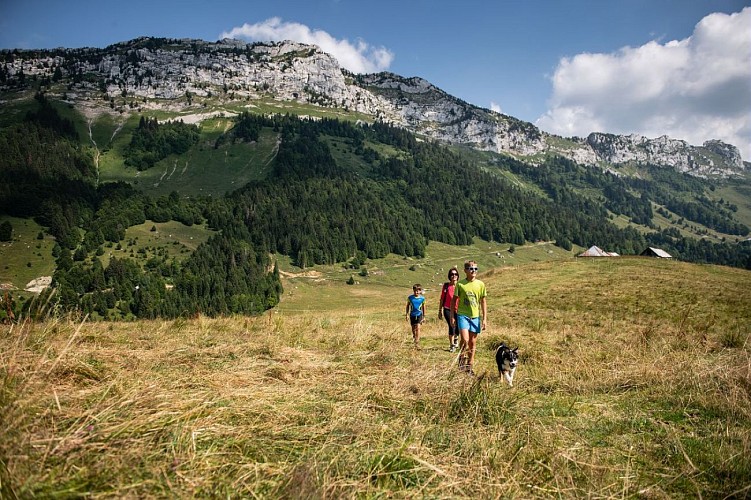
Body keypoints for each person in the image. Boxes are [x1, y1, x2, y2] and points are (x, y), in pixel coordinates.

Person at [451, 260, 487, 375]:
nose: (473, 271)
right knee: (465, 340)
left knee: (472, 342)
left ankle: (470, 365)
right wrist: (452, 316)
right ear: (465, 270)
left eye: (475, 269)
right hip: (462, 315)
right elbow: (454, 301)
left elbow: (483, 301)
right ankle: (461, 360)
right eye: (471, 269)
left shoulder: (481, 284)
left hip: (475, 317)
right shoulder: (460, 284)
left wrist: (485, 318)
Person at [438, 267, 460, 352]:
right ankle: (451, 345)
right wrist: (439, 310)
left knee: (458, 326)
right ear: (449, 276)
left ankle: (456, 339)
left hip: (458, 310)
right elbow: (442, 299)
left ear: (458, 275)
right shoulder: (446, 286)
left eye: (455, 274)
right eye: (452, 274)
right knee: (451, 326)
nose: (454, 276)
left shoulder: (460, 285)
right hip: (447, 309)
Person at [405, 283, 426, 347]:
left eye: (418, 290)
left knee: (418, 328)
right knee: (413, 328)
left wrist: (424, 316)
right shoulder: (410, 298)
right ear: (413, 290)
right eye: (415, 290)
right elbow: (407, 306)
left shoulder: (422, 298)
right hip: (412, 315)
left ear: (420, 291)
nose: (416, 292)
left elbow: (424, 307)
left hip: (419, 314)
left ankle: (417, 342)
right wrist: (407, 314)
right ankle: (414, 337)